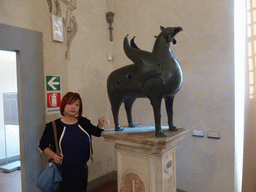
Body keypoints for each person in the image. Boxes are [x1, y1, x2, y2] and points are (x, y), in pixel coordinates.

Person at [38, 92, 110, 192]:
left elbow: (97, 132)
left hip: (82, 171)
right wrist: (54, 156)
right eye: (70, 104)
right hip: (63, 173)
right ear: (63, 105)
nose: (73, 107)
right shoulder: (53, 126)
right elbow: (43, 145)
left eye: (77, 105)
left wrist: (100, 123)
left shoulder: (83, 122)